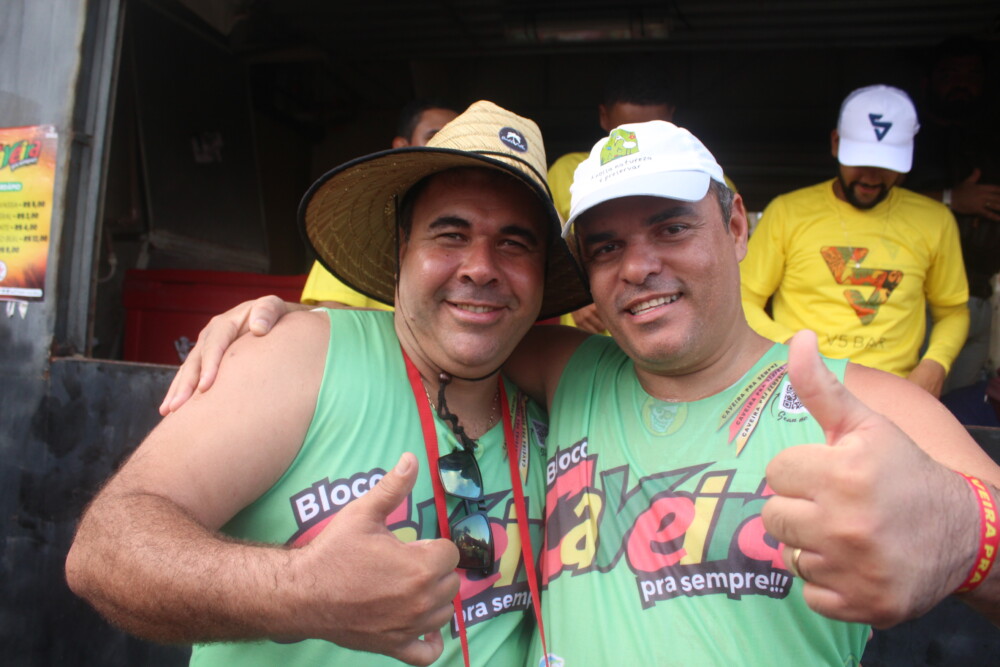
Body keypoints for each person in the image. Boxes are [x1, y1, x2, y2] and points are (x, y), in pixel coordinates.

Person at [166, 121, 1000, 664]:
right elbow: (447, 314)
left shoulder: (854, 403)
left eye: (672, 227)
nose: (639, 266)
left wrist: (966, 533)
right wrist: (292, 323)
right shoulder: (568, 369)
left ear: (737, 223)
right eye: (605, 246)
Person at [65, 101, 590, 667]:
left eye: (514, 243)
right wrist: (304, 592)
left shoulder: (560, 399)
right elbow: (104, 549)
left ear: (541, 273)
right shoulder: (300, 356)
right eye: (450, 234)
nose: (481, 267)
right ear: (401, 251)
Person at [740, 84, 970, 398]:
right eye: (861, 161)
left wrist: (935, 365)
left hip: (895, 392)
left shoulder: (934, 220)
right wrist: (790, 347)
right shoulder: (786, 212)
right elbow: (744, 299)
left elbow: (953, 310)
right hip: (801, 387)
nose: (871, 177)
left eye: (885, 164)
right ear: (835, 143)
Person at [548, 61, 677, 334]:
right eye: (626, 134)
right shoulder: (567, 173)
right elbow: (546, 252)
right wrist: (575, 297)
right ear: (604, 117)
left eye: (673, 230)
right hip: (590, 339)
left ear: (671, 118)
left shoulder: (705, 182)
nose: (638, 146)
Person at [906, 36, 1000, 396]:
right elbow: (882, 203)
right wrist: (951, 198)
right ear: (928, 83)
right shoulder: (913, 142)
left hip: (981, 295)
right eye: (950, 75)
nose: (962, 84)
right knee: (916, 408)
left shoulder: (987, 138)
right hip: (925, 304)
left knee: (963, 409)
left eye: (972, 76)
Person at [300, 99, 459, 310]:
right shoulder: (358, 229)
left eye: (457, 138)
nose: (448, 146)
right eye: (434, 136)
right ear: (402, 147)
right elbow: (334, 318)